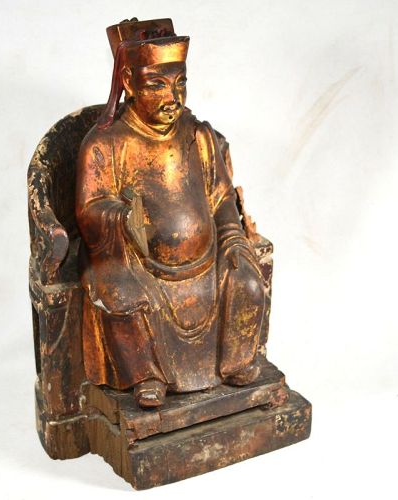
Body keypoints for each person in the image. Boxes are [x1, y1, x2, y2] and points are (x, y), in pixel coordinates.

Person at [76, 18, 266, 408]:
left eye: (180, 84)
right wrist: (120, 218)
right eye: (156, 86)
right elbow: (89, 208)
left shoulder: (198, 135)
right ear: (129, 82)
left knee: (246, 280)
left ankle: (235, 362)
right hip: (138, 265)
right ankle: (147, 376)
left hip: (207, 261)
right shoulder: (105, 144)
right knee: (120, 295)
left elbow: (220, 197)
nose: (172, 97)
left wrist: (232, 238)